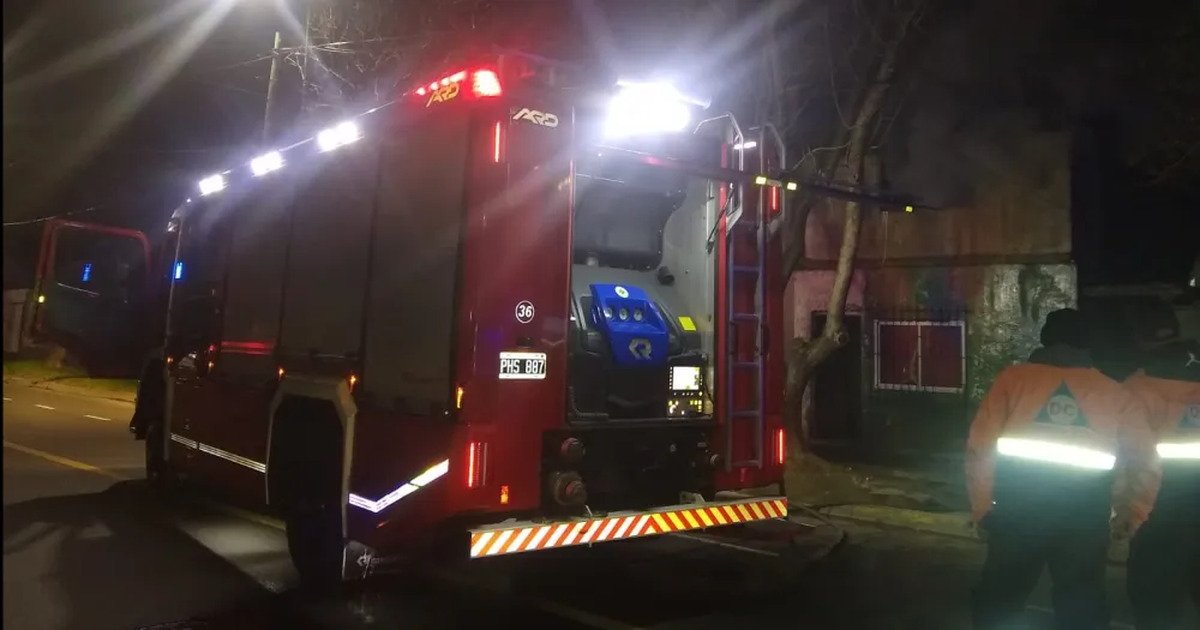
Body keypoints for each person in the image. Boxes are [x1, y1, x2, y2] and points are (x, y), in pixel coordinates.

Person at [966, 308, 1158, 630]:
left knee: (1000, 600)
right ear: (1088, 344)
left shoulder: (1013, 380)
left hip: (1017, 513)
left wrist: (983, 508)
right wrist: (1132, 514)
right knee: (1080, 606)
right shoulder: (1115, 393)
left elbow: (980, 448)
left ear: (1045, 339)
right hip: (1084, 520)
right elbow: (1145, 461)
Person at [1122, 310, 1200, 630]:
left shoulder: (1135, 389)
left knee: (1154, 602)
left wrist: (1130, 515)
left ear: (1140, 341)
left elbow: (1133, 458)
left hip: (1158, 512)